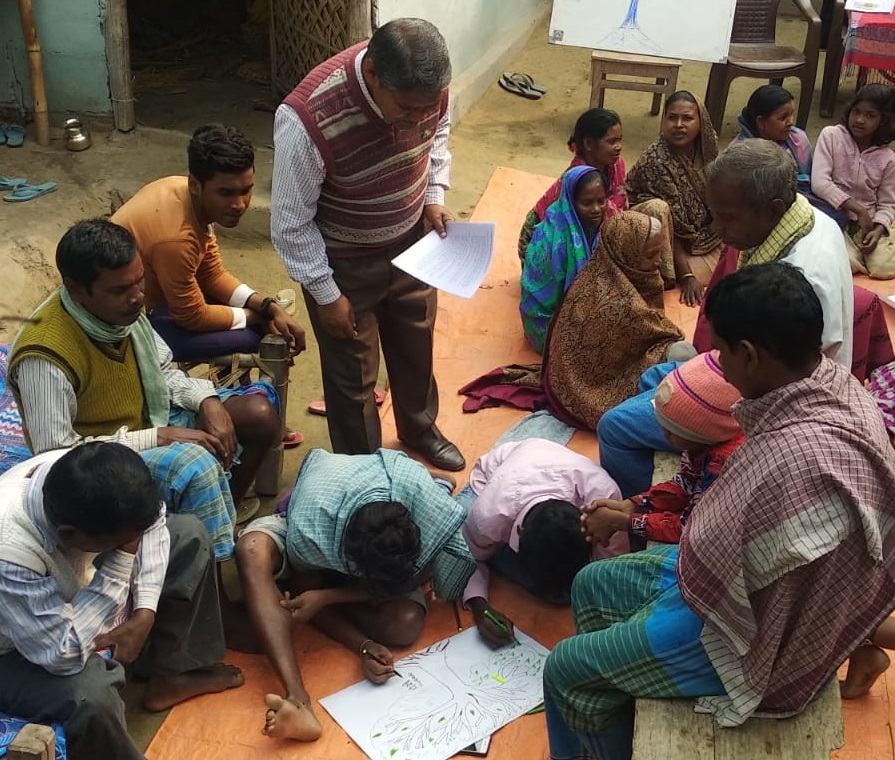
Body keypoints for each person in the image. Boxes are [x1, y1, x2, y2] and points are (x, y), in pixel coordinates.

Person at [543, 262, 895, 760]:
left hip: (754, 640)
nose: (718, 364)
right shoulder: (830, 381)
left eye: (722, 352)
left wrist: (638, 518)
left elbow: (717, 551)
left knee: (565, 669)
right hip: (739, 589)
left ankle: (600, 704)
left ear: (748, 355)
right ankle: (611, 708)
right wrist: (641, 510)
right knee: (591, 583)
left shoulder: (795, 462)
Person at [598, 139, 853, 498]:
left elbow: (763, 384)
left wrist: (697, 389)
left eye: (727, 217)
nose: (716, 228)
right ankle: (682, 468)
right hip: (763, 373)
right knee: (655, 376)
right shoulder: (815, 221)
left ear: (772, 208)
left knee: (613, 426)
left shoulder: (796, 281)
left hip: (771, 403)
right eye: (714, 213)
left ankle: (644, 511)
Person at [9, 220, 281, 554]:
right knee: (197, 466)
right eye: (121, 290)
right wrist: (158, 437)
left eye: (140, 280)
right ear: (76, 289)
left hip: (149, 417)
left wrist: (206, 400)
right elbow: (56, 457)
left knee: (258, 414)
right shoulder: (45, 357)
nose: (138, 296)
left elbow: (162, 372)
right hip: (100, 461)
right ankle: (210, 563)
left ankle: (219, 522)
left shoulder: (121, 310)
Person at [271, 18, 465, 471]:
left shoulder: (427, 90)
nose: (417, 120)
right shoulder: (307, 118)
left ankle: (419, 429)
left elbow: (437, 136)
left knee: (416, 345)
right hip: (343, 264)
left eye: (426, 108)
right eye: (406, 109)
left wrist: (433, 197)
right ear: (374, 74)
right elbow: (290, 225)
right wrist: (326, 293)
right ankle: (364, 471)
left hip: (412, 244)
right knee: (353, 376)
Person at [0, 443, 244, 760]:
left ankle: (171, 674)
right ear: (68, 534)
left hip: (68, 584)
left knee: (188, 534)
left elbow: (152, 523)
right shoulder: (11, 552)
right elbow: (60, 654)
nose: (131, 544)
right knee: (90, 695)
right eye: (120, 542)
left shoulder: (81, 472)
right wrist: (121, 560)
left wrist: (145, 613)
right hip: (12, 645)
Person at [234, 447, 474, 742]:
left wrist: (339, 612)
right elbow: (303, 591)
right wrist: (321, 600)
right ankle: (297, 699)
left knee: (405, 623)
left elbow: (417, 575)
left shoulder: (427, 510)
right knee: (252, 549)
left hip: (380, 526)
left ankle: (439, 482)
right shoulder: (311, 524)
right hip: (308, 517)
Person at [111, 123, 306, 361]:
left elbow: (211, 275)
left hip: (167, 301)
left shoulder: (188, 195)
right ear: (195, 185)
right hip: (131, 325)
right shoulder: (176, 238)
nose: (240, 205)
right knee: (254, 336)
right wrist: (256, 317)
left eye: (246, 190)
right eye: (226, 193)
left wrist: (268, 306)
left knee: (246, 317)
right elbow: (191, 316)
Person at [457, 438, 626, 646]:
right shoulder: (488, 515)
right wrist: (480, 608)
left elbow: (612, 569)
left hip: (542, 459)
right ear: (518, 536)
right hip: (493, 476)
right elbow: (467, 558)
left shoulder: (604, 502)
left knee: (571, 591)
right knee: (454, 534)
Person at [543, 211, 690, 431]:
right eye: (650, 255)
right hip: (590, 390)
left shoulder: (604, 271)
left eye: (660, 252)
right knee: (683, 356)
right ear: (626, 252)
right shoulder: (619, 302)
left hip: (586, 375)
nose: (658, 261)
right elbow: (662, 333)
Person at [582, 351, 743, 546]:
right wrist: (635, 504)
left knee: (614, 423)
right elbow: (685, 482)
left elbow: (688, 528)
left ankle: (637, 545)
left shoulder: (720, 466)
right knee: (651, 376)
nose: (662, 434)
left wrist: (624, 522)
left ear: (699, 434)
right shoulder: (702, 446)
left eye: (670, 430)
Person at [516, 108, 676, 286]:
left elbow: (620, 207)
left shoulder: (617, 164)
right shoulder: (576, 178)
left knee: (657, 208)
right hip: (548, 244)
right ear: (588, 144)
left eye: (619, 140)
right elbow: (575, 229)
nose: (619, 147)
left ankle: (665, 277)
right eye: (611, 141)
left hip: (598, 227)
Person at [627, 91, 723, 306]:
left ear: (701, 121)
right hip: (656, 227)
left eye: (687, 118)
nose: (679, 125)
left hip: (697, 230)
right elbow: (674, 224)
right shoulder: (657, 160)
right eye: (672, 118)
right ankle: (667, 274)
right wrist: (687, 276)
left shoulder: (707, 146)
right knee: (658, 208)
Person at [811, 84, 895, 280]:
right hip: (835, 218)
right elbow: (820, 183)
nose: (859, 120)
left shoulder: (888, 158)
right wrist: (859, 210)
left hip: (868, 225)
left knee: (883, 268)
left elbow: (888, 204)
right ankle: (855, 256)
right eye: (856, 111)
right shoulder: (831, 136)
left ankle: (866, 253)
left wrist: (878, 229)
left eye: (870, 115)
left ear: (884, 121)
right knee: (845, 262)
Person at [520, 166, 607, 353]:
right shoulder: (554, 240)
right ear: (570, 202)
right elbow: (558, 298)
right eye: (587, 203)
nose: (596, 209)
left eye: (601, 201)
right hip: (546, 323)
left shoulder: (594, 227)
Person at [730, 84, 841, 224]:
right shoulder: (740, 154)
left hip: (800, 200)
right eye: (783, 117)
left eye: (792, 114)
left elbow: (809, 182)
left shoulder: (798, 139)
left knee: (837, 215)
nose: (791, 122)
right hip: (765, 211)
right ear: (761, 122)